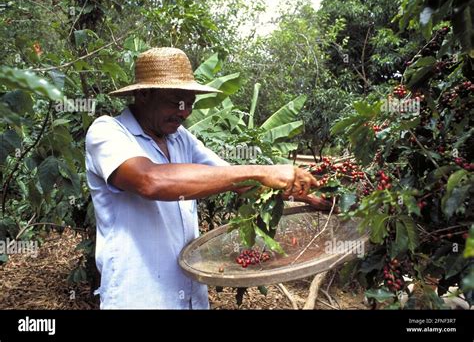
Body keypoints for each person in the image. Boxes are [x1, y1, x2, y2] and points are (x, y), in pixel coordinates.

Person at [85, 47, 330, 309]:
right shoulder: (107, 132)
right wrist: (262, 171)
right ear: (144, 94)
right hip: (140, 298)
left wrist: (308, 194)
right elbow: (150, 181)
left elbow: (237, 181)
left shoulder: (181, 140)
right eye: (177, 102)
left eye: (190, 104)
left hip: (190, 296)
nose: (185, 112)